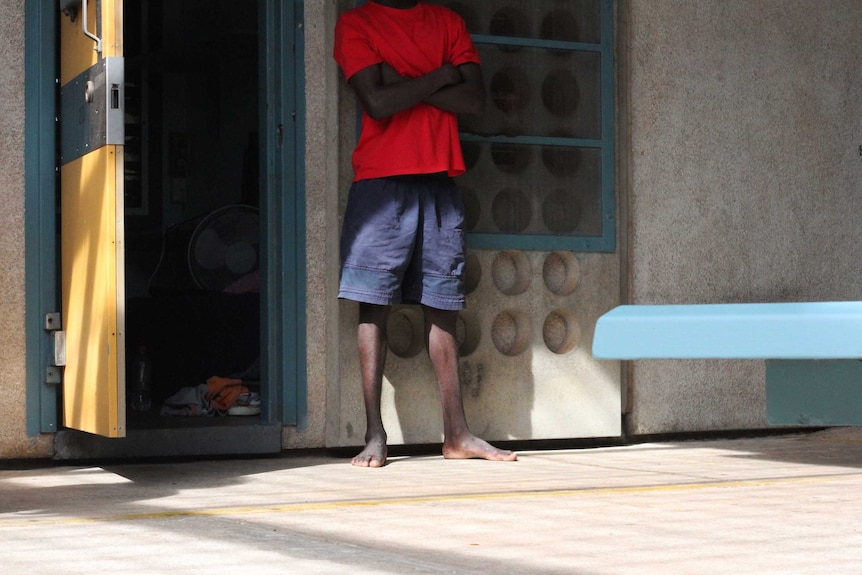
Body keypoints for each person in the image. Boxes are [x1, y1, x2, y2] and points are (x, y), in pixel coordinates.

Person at [333, 0, 518, 467]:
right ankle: (375, 434)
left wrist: (404, 82)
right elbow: (376, 101)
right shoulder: (356, 23)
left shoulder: (449, 23)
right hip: (380, 183)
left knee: (444, 307)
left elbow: (474, 102)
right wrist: (440, 76)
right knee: (373, 303)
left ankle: (457, 434)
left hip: (439, 180)